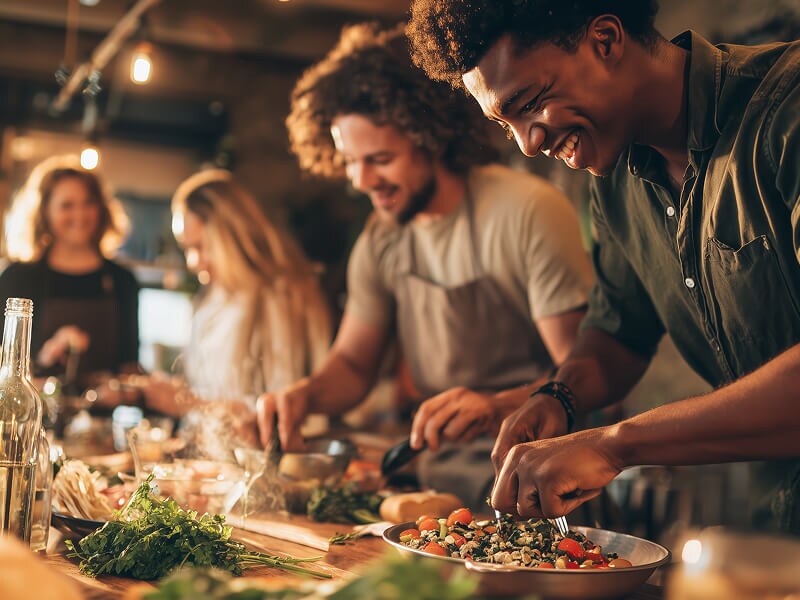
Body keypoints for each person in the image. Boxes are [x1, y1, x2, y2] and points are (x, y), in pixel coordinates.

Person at [407, 0, 800, 533]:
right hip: (774, 529)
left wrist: (615, 444)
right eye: (506, 125)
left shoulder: (787, 112)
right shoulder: (615, 180)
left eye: (530, 103)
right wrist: (560, 397)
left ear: (607, 40)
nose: (528, 143)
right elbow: (618, 334)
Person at [259, 23, 594, 508]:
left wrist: (495, 406)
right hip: (440, 493)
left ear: (430, 137)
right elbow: (354, 364)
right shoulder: (382, 239)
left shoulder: (525, 211)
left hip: (544, 489)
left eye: (380, 159)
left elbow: (587, 378)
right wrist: (304, 397)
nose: (362, 180)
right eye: (351, 161)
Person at [140, 169, 332, 445]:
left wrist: (188, 404)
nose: (193, 262)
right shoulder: (209, 299)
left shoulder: (278, 298)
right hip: (211, 461)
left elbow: (281, 411)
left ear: (231, 236)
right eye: (186, 249)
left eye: (201, 246)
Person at [0, 155, 139, 385]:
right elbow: (5, 371)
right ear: (44, 211)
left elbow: (128, 367)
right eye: (67, 205)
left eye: (88, 203)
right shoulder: (18, 278)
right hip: (35, 416)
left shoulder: (122, 280)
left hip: (103, 418)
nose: (80, 214)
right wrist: (45, 357)